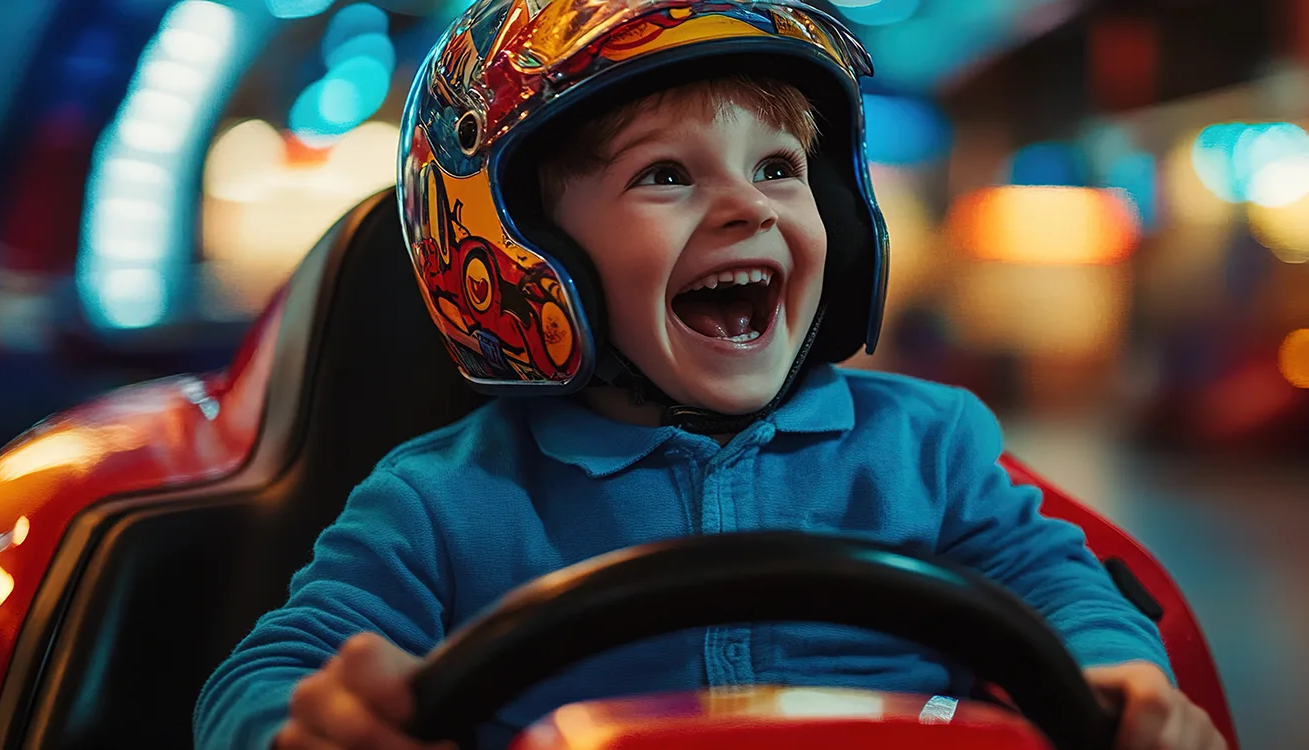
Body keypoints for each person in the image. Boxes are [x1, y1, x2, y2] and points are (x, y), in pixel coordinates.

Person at [195, 1, 1227, 749]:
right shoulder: (442, 503)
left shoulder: (930, 446)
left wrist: (1114, 670)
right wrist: (311, 722)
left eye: (779, 168)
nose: (749, 208)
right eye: (667, 176)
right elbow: (264, 676)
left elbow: (1058, 583)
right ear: (525, 251)